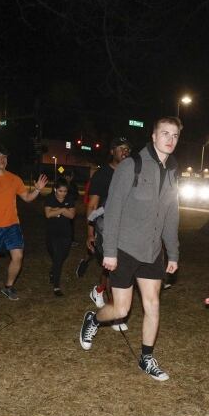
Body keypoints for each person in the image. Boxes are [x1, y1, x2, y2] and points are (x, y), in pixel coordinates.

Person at [78, 118, 181, 381]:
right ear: (154, 136)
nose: (170, 139)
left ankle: (146, 358)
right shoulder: (131, 165)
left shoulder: (172, 171)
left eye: (175, 135)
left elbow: (171, 214)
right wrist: (109, 251)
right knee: (121, 310)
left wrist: (173, 252)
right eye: (165, 133)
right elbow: (112, 211)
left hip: (152, 252)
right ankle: (93, 319)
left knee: (153, 304)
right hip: (124, 249)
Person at [0, 145, 48, 300]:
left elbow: (27, 198)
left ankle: (8, 286)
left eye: (5, 157)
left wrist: (38, 190)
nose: (2, 160)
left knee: (18, 256)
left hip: (12, 224)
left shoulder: (14, 178)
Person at [84, 137, 131, 332]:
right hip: (105, 225)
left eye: (127, 148)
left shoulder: (130, 173)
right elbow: (92, 205)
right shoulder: (102, 174)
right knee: (114, 267)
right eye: (120, 148)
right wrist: (90, 233)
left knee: (112, 267)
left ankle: (99, 290)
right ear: (112, 151)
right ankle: (115, 315)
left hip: (126, 227)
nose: (125, 151)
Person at [44, 178, 76, 296]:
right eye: (60, 191)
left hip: (66, 233)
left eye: (65, 191)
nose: (63, 193)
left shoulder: (70, 199)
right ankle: (56, 286)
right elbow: (48, 214)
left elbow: (72, 215)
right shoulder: (50, 198)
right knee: (57, 257)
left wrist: (58, 209)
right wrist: (63, 210)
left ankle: (53, 271)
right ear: (55, 189)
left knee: (62, 257)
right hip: (52, 234)